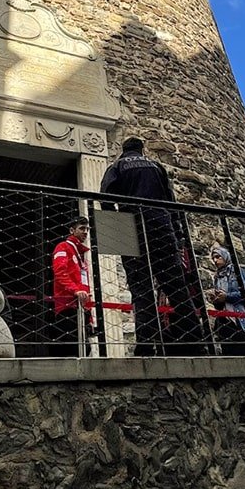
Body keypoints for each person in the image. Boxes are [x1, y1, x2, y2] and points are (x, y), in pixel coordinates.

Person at [101, 137, 205, 356]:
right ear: (142, 149)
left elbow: (106, 198)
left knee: (141, 288)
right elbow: (171, 200)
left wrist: (114, 235)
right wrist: (177, 232)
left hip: (132, 224)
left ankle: (147, 344)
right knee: (175, 284)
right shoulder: (156, 167)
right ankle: (196, 338)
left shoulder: (117, 166)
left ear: (123, 150)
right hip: (161, 224)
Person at [48, 217, 93, 357]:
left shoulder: (81, 254)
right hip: (67, 305)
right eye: (82, 228)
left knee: (84, 348)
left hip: (81, 307)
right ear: (72, 230)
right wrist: (75, 290)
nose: (85, 232)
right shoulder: (63, 247)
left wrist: (89, 311)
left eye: (87, 229)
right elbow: (60, 272)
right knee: (70, 347)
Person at [205, 246, 245, 355]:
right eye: (213, 258)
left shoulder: (237, 271)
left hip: (241, 318)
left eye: (218, 257)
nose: (215, 261)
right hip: (226, 320)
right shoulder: (218, 277)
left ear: (225, 256)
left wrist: (226, 297)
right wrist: (217, 299)